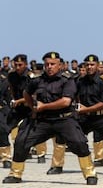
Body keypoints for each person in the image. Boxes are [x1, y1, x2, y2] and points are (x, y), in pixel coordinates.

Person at [3, 51, 97, 185]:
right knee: (21, 141)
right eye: (47, 64)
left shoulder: (67, 80)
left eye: (53, 64)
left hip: (64, 119)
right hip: (43, 120)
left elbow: (65, 101)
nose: (49, 67)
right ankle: (15, 174)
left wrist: (43, 106)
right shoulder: (38, 80)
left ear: (60, 65)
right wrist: (33, 108)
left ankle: (90, 174)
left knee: (79, 143)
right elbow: (26, 93)